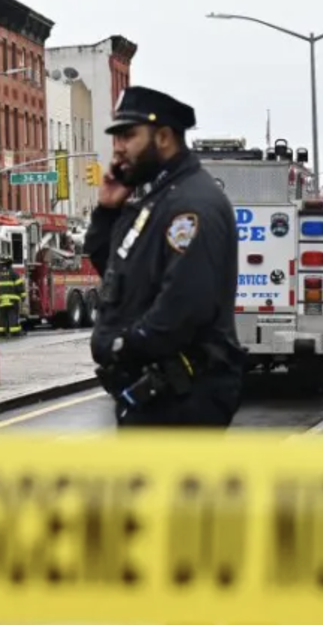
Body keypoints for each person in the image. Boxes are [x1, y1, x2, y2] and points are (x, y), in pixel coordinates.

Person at [83, 86, 245, 427]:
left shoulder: (190, 205)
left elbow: (185, 304)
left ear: (164, 137)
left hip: (181, 400)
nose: (118, 148)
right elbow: (116, 272)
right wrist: (107, 211)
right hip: (152, 400)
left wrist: (123, 346)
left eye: (129, 136)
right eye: (117, 137)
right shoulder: (156, 200)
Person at [0, 254, 26, 337]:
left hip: (0, 299)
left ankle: (1, 332)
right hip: (12, 300)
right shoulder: (13, 273)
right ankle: (14, 331)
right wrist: (23, 296)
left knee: (2, 316)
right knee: (13, 315)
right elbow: (19, 286)